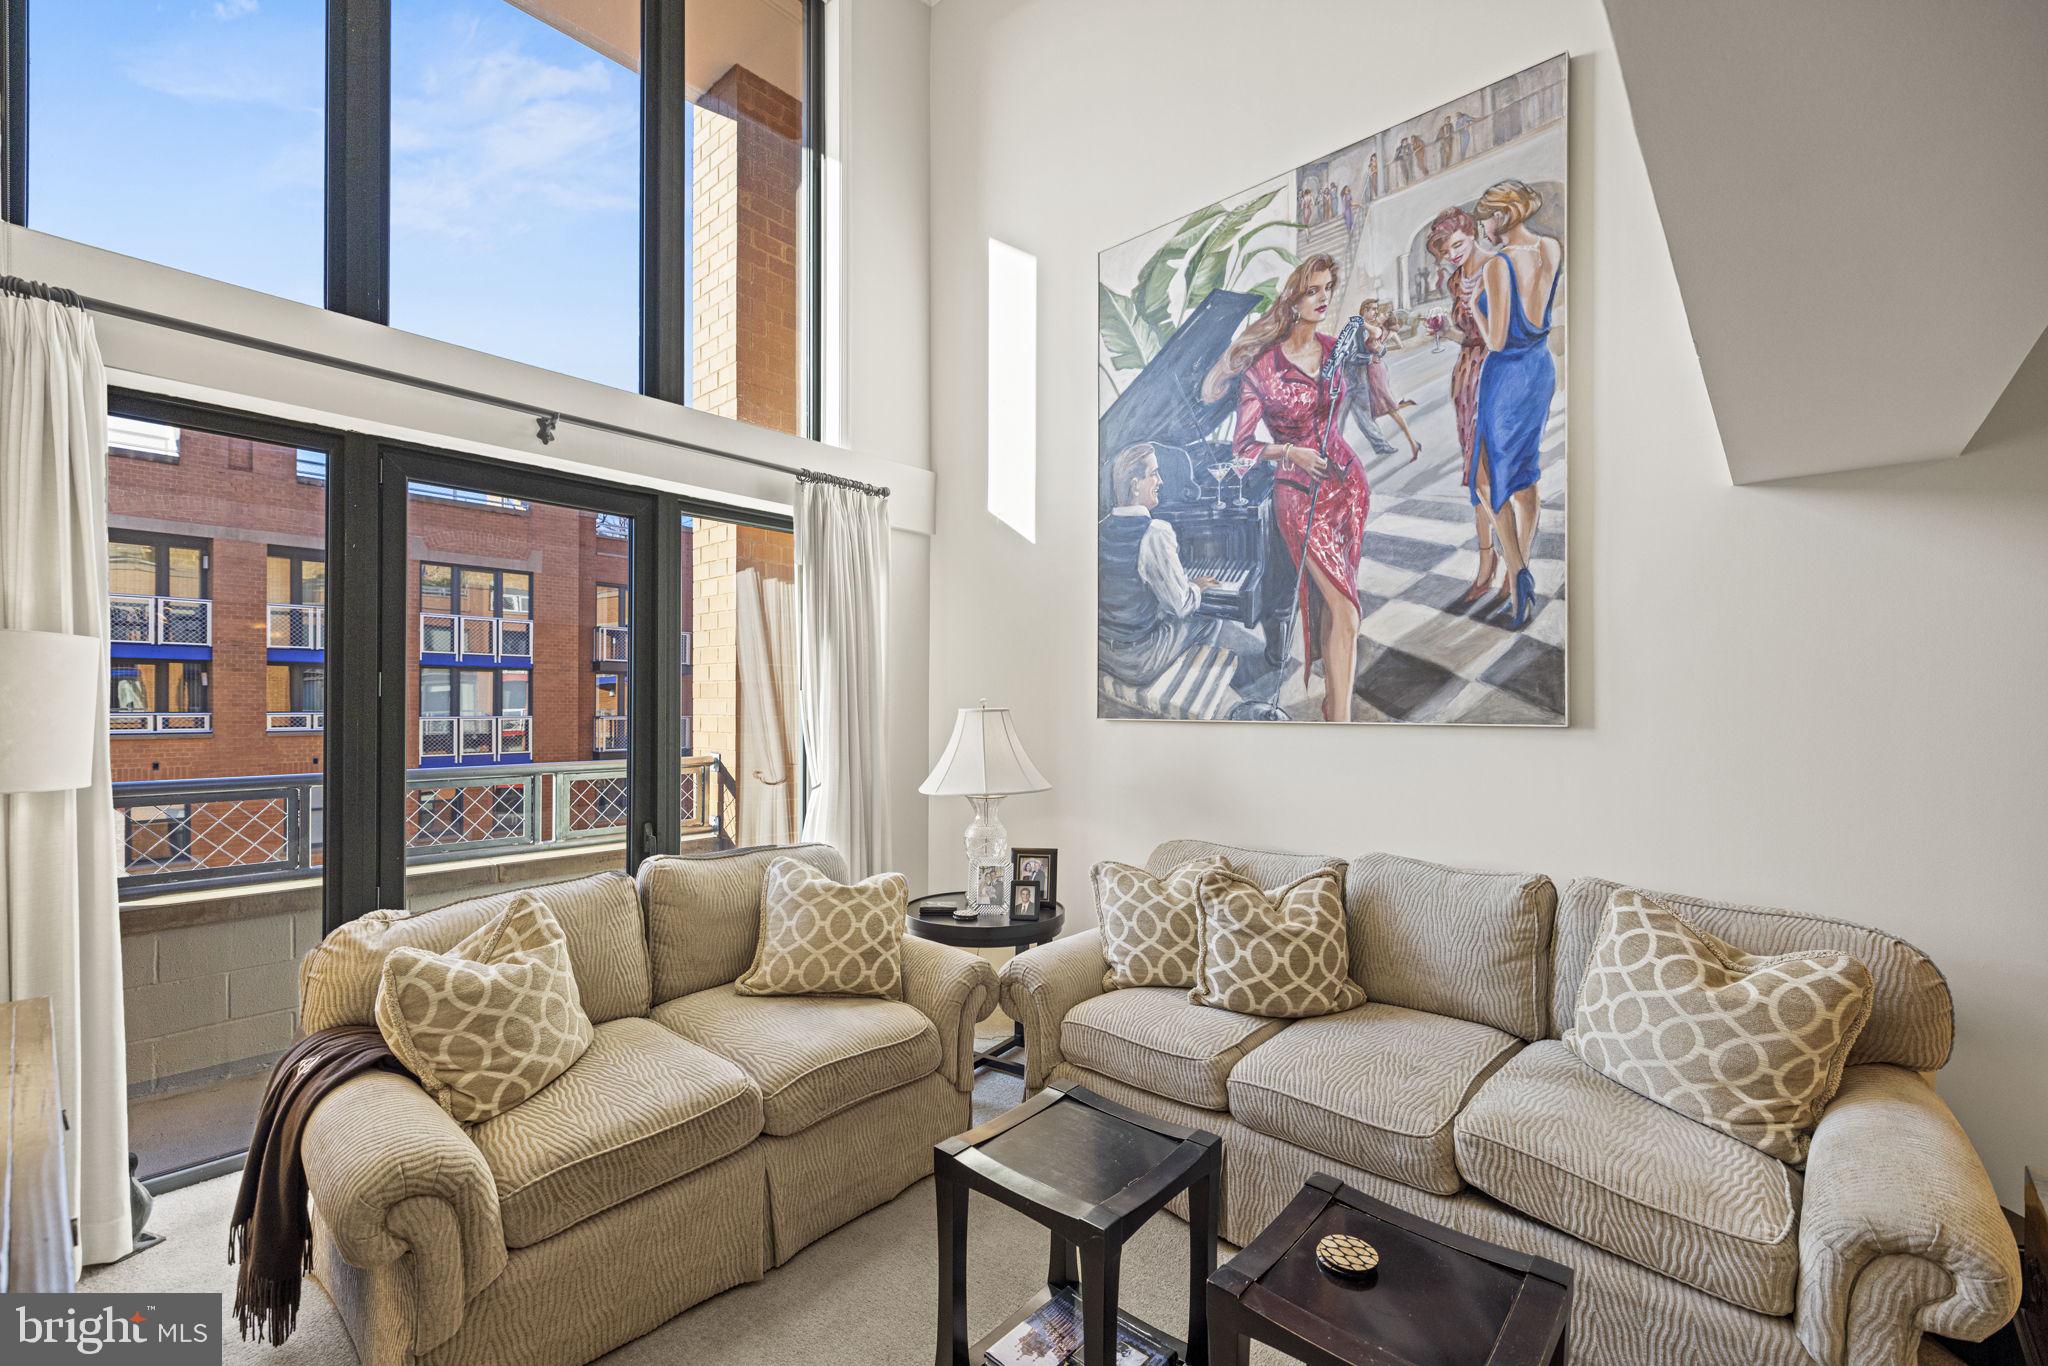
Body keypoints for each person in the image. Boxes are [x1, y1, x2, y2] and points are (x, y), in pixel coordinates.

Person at [1199, 256, 1367, 722]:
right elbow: (1245, 444)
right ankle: (1344, 721)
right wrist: (1291, 452)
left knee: (1339, 607)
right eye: (1313, 290)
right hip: (1296, 492)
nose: (1324, 297)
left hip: (1346, 486)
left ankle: (1337, 705)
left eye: (1328, 287)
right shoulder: (1264, 369)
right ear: (1292, 299)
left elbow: (1346, 413)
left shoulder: (1336, 349)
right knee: (1346, 609)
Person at [1471, 179, 1563, 629]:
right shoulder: (1550, 248)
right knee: (1524, 474)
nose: (1483, 226)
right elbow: (1538, 314)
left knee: (1488, 478)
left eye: (1486, 217)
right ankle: (1520, 565)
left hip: (1506, 375)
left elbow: (1497, 338)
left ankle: (1518, 570)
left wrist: (1474, 306)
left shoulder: (1497, 265)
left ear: (1503, 216)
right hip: (1540, 369)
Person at [1426, 205, 1502, 607]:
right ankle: (1487, 564)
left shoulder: (1496, 268)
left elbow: (1501, 335)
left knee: (1495, 472)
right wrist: (1445, 331)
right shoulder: (1457, 280)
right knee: (1476, 472)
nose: (1453, 254)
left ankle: (1512, 564)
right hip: (1467, 375)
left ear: (1472, 234)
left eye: (1457, 244)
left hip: (1496, 372)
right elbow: (1467, 335)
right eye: (1446, 250)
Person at [1097, 443, 1221, 685]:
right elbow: (1182, 605)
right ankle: (1188, 685)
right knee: (1212, 617)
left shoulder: (1099, 528)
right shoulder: (1154, 532)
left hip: (1102, 652)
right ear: (1135, 485)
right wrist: (1195, 586)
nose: (1161, 481)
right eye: (1153, 474)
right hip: (1138, 661)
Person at [1360, 298, 1422, 460]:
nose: (1379, 315)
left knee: (1389, 410)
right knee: (1380, 408)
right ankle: (1401, 405)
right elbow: (1399, 346)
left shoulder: (1377, 330)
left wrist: (1379, 350)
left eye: (1382, 313)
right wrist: (1382, 350)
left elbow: (1373, 338)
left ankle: (1413, 443)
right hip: (1375, 369)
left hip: (1375, 370)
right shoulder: (1387, 331)